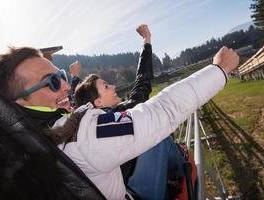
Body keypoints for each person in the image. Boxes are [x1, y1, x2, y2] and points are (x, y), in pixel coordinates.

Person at [0, 40, 239, 200]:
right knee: (159, 139)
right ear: (18, 103)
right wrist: (218, 70)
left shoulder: (19, 149)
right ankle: (181, 166)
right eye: (52, 82)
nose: (64, 86)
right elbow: (161, 111)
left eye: (60, 75)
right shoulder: (80, 132)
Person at [69, 25, 186, 199]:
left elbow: (77, 104)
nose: (114, 86)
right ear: (98, 102)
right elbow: (142, 82)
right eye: (107, 86)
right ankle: (181, 168)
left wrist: (75, 79)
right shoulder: (118, 115)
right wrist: (146, 41)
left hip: (120, 189)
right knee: (158, 137)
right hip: (138, 193)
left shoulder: (81, 126)